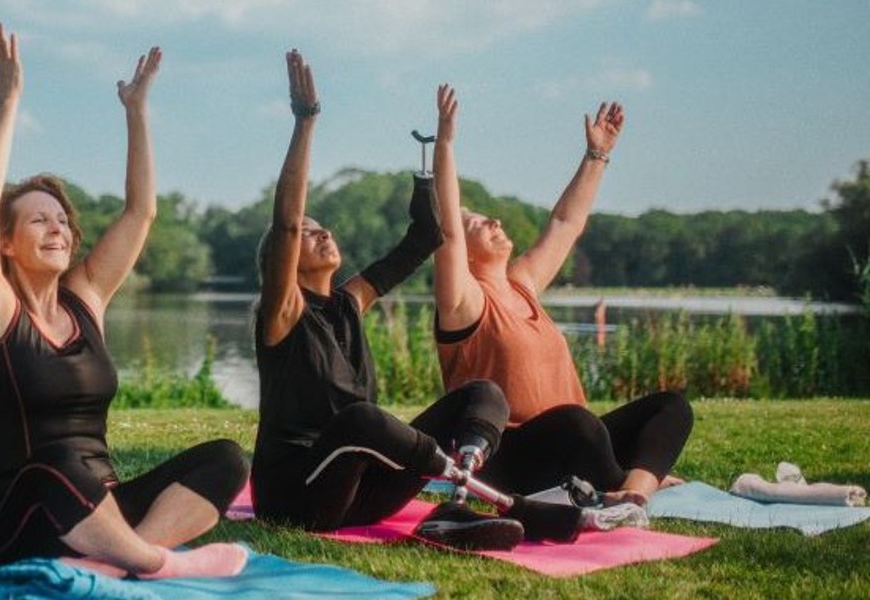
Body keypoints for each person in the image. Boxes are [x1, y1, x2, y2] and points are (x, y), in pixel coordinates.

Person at [0, 22, 249, 578]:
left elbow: (141, 212)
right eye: (39, 220)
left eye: (64, 221)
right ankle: (155, 563)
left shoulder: (84, 300)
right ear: (5, 243)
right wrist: (8, 99)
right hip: (17, 519)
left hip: (102, 507)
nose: (58, 230)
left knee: (226, 459)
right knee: (59, 460)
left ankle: (112, 560)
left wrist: (136, 110)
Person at [250, 50, 523, 550]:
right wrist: (305, 122)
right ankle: (477, 496)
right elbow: (288, 219)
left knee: (482, 393)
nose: (320, 231)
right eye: (308, 233)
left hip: (365, 491)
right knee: (360, 420)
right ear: (281, 261)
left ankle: (458, 494)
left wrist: (429, 169)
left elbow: (422, 242)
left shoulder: (348, 302)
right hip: (300, 496)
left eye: (320, 227)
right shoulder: (281, 314)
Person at [429, 84, 693, 505]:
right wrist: (445, 145)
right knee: (578, 424)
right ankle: (616, 485)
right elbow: (447, 231)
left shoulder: (523, 283)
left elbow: (566, 223)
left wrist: (597, 155)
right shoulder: (464, 304)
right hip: (511, 457)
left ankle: (632, 495)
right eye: (477, 222)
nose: (494, 220)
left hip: (576, 447)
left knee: (671, 407)